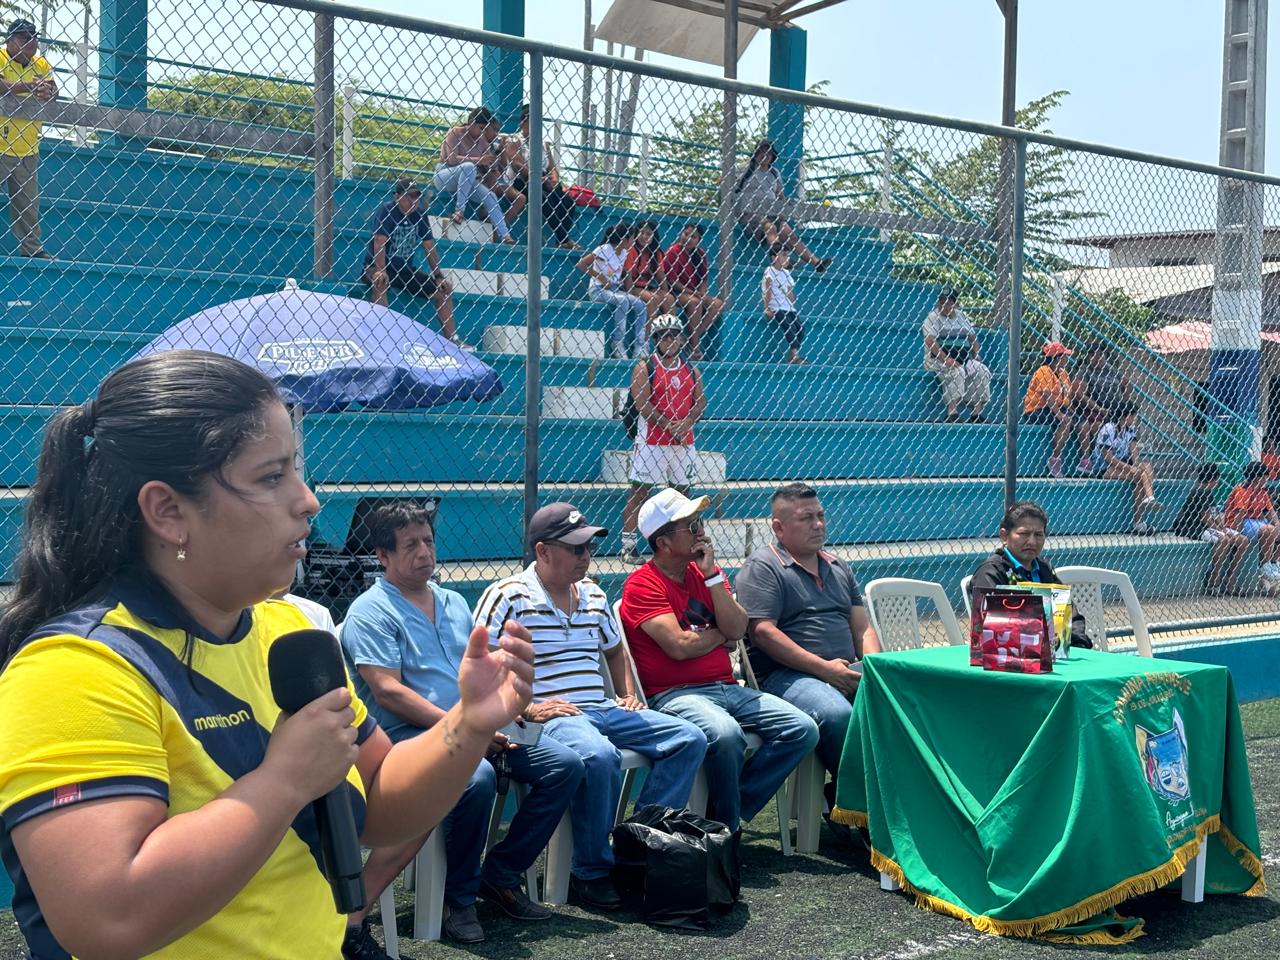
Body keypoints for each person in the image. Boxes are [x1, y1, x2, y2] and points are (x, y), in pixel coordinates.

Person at [0, 350, 534, 960]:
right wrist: (283, 781)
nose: (308, 501)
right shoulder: (75, 670)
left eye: (296, 472)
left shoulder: (288, 631)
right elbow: (108, 919)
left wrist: (469, 722)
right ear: (168, 512)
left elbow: (380, 802)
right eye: (271, 477)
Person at [339, 501, 581, 946]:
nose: (424, 552)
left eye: (428, 541)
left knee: (564, 765)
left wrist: (508, 713)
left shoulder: (452, 602)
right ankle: (459, 899)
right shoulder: (369, 611)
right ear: (383, 556)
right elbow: (389, 693)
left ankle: (501, 875)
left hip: (476, 727)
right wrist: (472, 730)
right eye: (410, 545)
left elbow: (480, 671)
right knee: (477, 779)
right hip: (411, 737)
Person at [473, 503, 707, 911]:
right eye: (576, 548)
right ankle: (591, 871)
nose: (586, 556)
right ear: (543, 551)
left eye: (589, 548)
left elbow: (615, 650)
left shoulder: (594, 593)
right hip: (555, 712)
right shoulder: (507, 594)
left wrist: (627, 692)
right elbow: (479, 663)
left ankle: (638, 848)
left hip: (601, 706)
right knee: (600, 755)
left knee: (689, 738)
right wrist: (525, 709)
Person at [620, 489, 819, 833]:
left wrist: (712, 578)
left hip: (726, 687)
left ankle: (723, 815)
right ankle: (728, 831)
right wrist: (721, 634)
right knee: (725, 734)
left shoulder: (708, 574)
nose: (701, 530)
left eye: (699, 521)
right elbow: (679, 646)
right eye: (691, 526)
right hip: (675, 694)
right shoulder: (642, 585)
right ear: (663, 542)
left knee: (802, 729)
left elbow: (738, 629)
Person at [734, 483, 881, 783]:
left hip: (844, 671)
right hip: (784, 676)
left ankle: (857, 796)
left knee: (898, 705)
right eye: (806, 518)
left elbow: (863, 628)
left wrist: (874, 668)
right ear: (779, 527)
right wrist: (825, 670)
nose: (818, 525)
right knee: (836, 713)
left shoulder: (838, 566)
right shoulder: (763, 566)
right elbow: (763, 633)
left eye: (820, 516)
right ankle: (861, 799)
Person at [620, 315, 706, 564]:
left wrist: (687, 423)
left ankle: (685, 544)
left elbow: (700, 402)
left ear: (681, 339)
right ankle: (628, 545)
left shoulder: (691, 369)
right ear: (656, 339)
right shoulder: (645, 367)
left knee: (683, 493)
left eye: (675, 335)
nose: (670, 340)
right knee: (640, 491)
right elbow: (642, 403)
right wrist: (670, 425)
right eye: (664, 336)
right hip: (652, 441)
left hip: (684, 442)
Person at [967, 500, 1091, 648]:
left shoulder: (1044, 569)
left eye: (1038, 534)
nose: (1032, 541)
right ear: (1004, 536)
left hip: (1054, 653)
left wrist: (1078, 644)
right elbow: (994, 624)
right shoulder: (991, 572)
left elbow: (1070, 615)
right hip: (1010, 655)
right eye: (1024, 534)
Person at [362, 177, 466, 347]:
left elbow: (429, 247)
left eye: (416, 197)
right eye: (408, 197)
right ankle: (381, 339)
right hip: (378, 267)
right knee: (380, 281)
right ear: (397, 196)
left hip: (405, 271)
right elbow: (379, 241)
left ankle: (452, 340)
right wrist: (381, 269)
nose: (413, 201)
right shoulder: (387, 211)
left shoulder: (420, 215)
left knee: (443, 291)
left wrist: (438, 276)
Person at [0, 19, 56, 259]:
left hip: (28, 146)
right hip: (0, 144)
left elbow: (53, 89)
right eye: (25, 38)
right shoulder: (1, 57)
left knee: (29, 206)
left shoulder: (40, 64)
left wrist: (48, 90)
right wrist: (29, 87)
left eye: (34, 38)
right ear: (10, 40)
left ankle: (32, 250)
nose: (31, 42)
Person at [732, 138, 831, 272]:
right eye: (761, 152)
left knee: (789, 233)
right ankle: (781, 259)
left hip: (771, 211)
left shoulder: (774, 173)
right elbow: (728, 185)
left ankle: (817, 263)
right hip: (750, 211)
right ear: (755, 154)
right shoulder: (745, 169)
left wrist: (782, 215)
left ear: (772, 156)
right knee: (770, 227)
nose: (765, 155)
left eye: (768, 153)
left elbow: (780, 196)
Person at [434, 106, 514, 244]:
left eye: (485, 129)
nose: (482, 132)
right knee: (469, 167)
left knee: (490, 196)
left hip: (468, 179)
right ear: (471, 122)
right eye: (480, 128)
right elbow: (451, 159)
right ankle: (459, 211)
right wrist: (479, 160)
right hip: (445, 175)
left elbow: (493, 166)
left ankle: (505, 235)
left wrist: (498, 153)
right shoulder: (455, 132)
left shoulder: (482, 141)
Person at [508, 102, 579, 249]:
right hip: (523, 180)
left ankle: (561, 239)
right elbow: (517, 163)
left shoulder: (544, 144)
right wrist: (536, 178)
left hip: (543, 178)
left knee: (568, 201)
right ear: (523, 122)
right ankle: (564, 239)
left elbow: (552, 167)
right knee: (543, 197)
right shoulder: (514, 140)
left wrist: (554, 179)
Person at [1173, 463, 1250, 596]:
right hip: (1194, 527)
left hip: (1207, 526)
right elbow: (1205, 519)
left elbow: (1214, 515)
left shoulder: (1208, 492)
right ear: (1214, 478)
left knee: (1243, 541)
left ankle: (1230, 578)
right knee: (1224, 540)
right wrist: (1223, 531)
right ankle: (1214, 578)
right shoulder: (1200, 491)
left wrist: (1224, 528)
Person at [1023, 341, 1095, 477]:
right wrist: (1060, 415)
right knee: (1065, 421)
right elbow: (1048, 396)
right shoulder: (1043, 371)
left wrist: (1071, 412)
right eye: (1064, 356)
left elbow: (1067, 398)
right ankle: (1055, 459)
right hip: (1038, 409)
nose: (1067, 359)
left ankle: (1085, 461)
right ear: (1057, 358)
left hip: (1059, 408)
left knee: (1083, 423)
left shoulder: (1063, 373)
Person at [578, 221, 649, 360]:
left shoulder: (624, 252)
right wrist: (601, 278)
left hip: (615, 289)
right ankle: (617, 343)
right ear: (624, 239)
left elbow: (621, 274)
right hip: (597, 289)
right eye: (632, 238)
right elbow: (581, 264)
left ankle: (640, 346)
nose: (634, 241)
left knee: (640, 305)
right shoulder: (604, 249)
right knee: (623, 301)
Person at [922, 288, 990, 422]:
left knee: (982, 371)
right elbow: (930, 341)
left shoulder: (961, 316)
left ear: (955, 304)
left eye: (948, 303)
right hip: (938, 359)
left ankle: (976, 414)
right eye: (942, 302)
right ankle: (952, 413)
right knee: (957, 371)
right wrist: (947, 359)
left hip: (963, 359)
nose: (944, 306)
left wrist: (976, 354)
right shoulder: (933, 317)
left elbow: (973, 339)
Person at [1094, 404, 1163, 534]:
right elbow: (1108, 457)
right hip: (1105, 467)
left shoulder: (1130, 430)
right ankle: (1139, 519)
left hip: (1124, 464)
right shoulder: (1108, 428)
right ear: (1125, 417)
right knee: (1139, 477)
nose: (1135, 419)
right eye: (1133, 416)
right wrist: (1130, 468)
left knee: (1146, 466)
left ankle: (1149, 498)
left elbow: (1134, 453)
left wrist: (1137, 465)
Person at [661, 223, 724, 361]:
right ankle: (695, 347)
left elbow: (703, 280)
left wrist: (702, 293)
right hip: (676, 292)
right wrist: (692, 293)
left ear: (698, 240)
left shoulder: (700, 254)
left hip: (694, 292)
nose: (688, 238)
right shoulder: (673, 251)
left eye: (693, 237)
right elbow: (671, 281)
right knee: (695, 302)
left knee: (717, 304)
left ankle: (690, 338)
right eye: (686, 234)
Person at [1223, 461, 1280, 588]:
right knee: (1268, 530)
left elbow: (1270, 512)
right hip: (1240, 522)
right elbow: (1240, 514)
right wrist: (1236, 532)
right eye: (1265, 476)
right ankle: (1264, 565)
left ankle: (1274, 562)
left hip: (1255, 521)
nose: (1267, 479)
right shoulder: (1242, 490)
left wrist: (1278, 525)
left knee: (1274, 527)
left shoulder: (1262, 491)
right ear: (1257, 478)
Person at [624, 219, 677, 322]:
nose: (644, 236)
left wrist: (665, 294)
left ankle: (668, 330)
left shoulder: (656, 253)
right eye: (641, 233)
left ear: (653, 237)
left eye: (648, 234)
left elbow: (661, 277)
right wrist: (630, 295)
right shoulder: (631, 250)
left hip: (647, 287)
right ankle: (649, 331)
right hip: (632, 286)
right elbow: (627, 276)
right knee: (652, 299)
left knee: (669, 299)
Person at [762, 243, 805, 364]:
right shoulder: (770, 271)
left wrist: (789, 294)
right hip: (776, 307)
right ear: (774, 258)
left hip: (788, 307)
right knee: (789, 327)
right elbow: (767, 290)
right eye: (783, 255)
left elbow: (791, 295)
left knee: (800, 329)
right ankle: (795, 355)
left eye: (787, 255)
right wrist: (767, 308)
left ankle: (792, 353)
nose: (787, 258)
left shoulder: (786, 273)